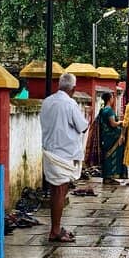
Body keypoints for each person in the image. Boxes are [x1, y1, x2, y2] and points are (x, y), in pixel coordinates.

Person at [39, 71, 89, 243]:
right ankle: (55, 230)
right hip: (64, 153)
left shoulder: (47, 102)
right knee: (60, 192)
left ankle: (56, 227)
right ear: (73, 89)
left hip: (49, 151)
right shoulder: (70, 104)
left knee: (55, 191)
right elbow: (82, 126)